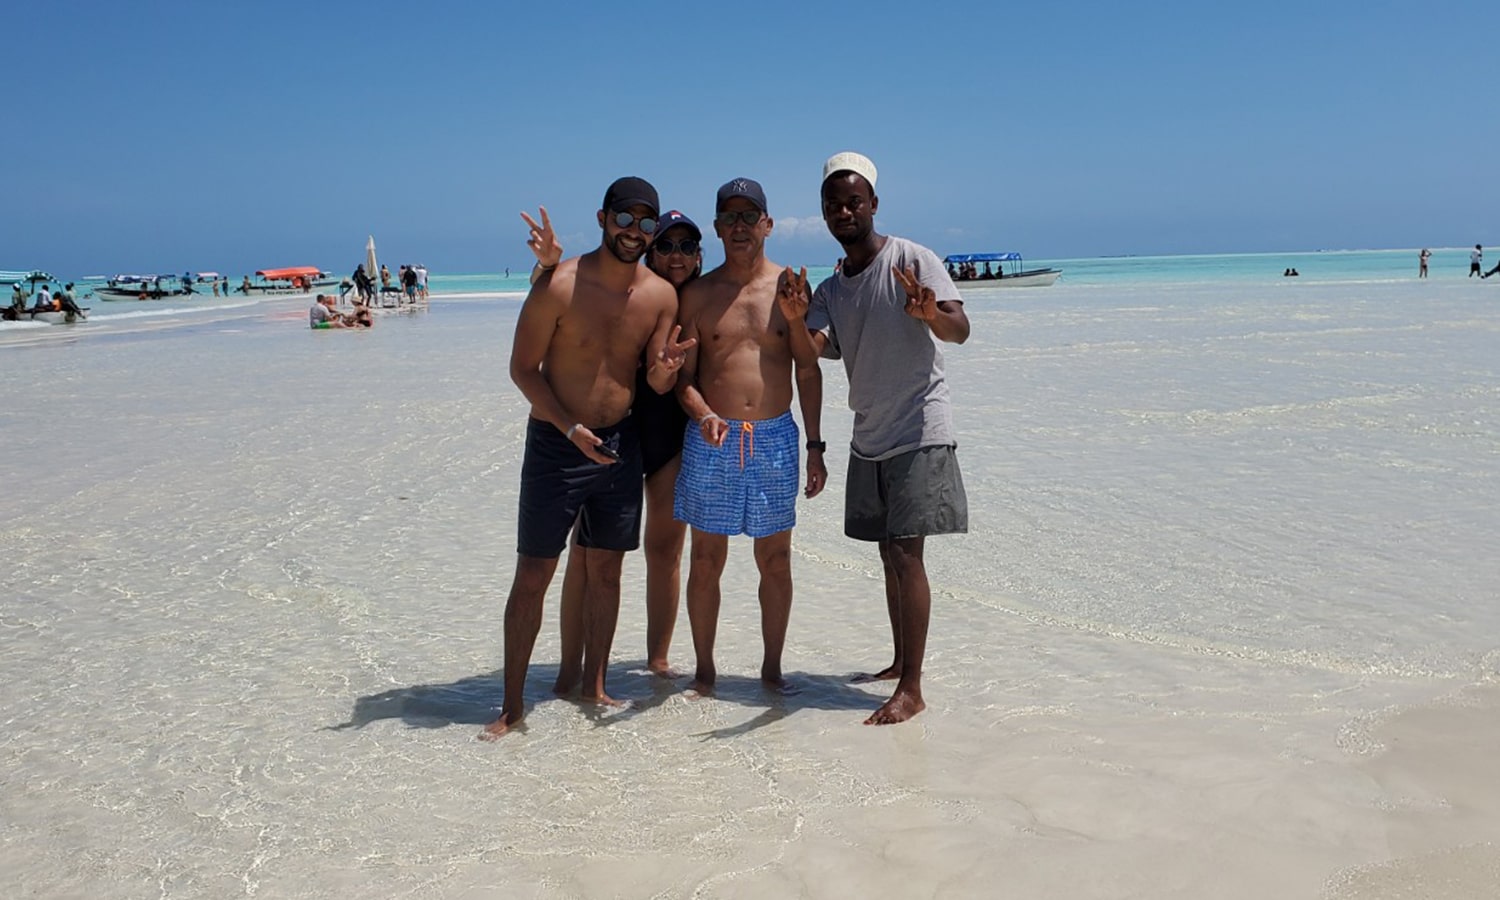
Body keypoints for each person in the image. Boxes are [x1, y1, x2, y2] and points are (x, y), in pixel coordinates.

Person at [481, 177, 694, 740]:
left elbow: (650, 374)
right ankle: (510, 706)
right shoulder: (559, 284)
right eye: (626, 218)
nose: (636, 231)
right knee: (534, 573)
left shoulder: (659, 296)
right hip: (556, 443)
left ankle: (594, 686)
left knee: (606, 569)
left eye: (647, 223)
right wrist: (568, 426)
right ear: (603, 218)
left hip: (619, 445)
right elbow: (523, 369)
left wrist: (665, 370)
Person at [790, 151, 971, 726]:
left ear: (873, 204)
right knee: (886, 555)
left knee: (904, 551)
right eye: (833, 204)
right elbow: (809, 354)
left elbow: (960, 330)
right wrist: (793, 319)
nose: (844, 211)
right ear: (824, 213)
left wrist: (929, 313)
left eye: (854, 201)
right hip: (869, 433)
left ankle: (913, 688)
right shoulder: (831, 289)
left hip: (920, 425)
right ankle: (898, 663)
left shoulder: (912, 258)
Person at [528, 207, 705, 687]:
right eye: (665, 244)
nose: (675, 255)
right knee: (587, 553)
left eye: (687, 247)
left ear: (699, 255)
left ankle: (657, 659)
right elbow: (570, 304)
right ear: (647, 245)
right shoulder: (632, 288)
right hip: (617, 430)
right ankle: (572, 670)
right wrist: (544, 268)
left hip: (669, 432)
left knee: (665, 549)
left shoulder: (702, 297)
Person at [672, 177, 826, 697]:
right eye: (729, 217)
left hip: (775, 439)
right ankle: (705, 671)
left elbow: (808, 368)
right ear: (716, 227)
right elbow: (684, 380)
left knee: (775, 560)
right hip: (710, 438)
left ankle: (772, 669)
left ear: (768, 224)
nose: (739, 227)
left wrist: (815, 447)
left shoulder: (790, 289)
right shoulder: (695, 294)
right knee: (705, 559)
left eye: (749, 216)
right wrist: (701, 414)